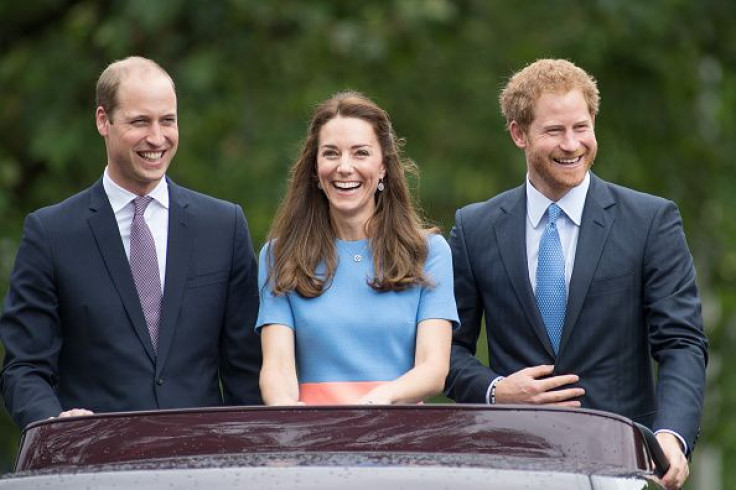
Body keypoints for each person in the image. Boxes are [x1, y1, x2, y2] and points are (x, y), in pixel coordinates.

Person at [444, 59, 707, 489]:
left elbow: (681, 342)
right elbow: (446, 351)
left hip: (622, 465)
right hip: (512, 465)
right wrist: (496, 390)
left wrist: (671, 436)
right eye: (554, 131)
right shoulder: (475, 229)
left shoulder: (650, 221)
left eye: (581, 128)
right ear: (518, 134)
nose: (572, 145)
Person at [0, 56, 262, 429]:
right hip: (97, 465)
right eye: (140, 121)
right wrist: (55, 424)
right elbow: (24, 367)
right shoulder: (51, 233)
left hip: (204, 465)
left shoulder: (223, 226)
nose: (157, 138)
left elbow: (246, 371)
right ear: (103, 120)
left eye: (167, 121)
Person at [257, 91, 457, 406]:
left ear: (383, 168)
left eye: (360, 153)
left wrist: (381, 399)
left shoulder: (429, 252)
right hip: (314, 439)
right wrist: (288, 412)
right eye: (331, 153)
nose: (345, 167)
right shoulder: (279, 255)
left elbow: (433, 368)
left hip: (399, 437)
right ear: (315, 168)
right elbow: (277, 367)